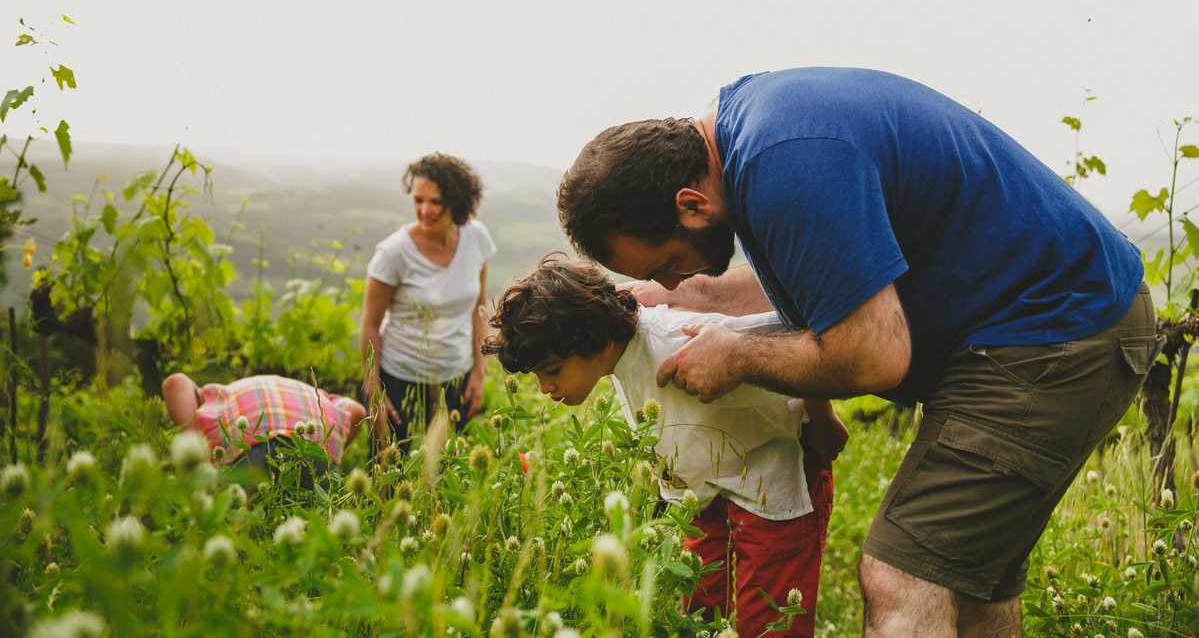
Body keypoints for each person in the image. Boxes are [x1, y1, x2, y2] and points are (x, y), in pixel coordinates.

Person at [556, 67, 1158, 637]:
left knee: (902, 577)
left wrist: (736, 357)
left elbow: (873, 355)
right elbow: (828, 270)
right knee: (973, 587)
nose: (667, 284)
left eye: (666, 265)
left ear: (691, 205)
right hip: (1058, 316)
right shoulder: (752, 134)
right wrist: (695, 296)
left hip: (1053, 331)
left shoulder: (785, 164)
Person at [482, 254, 848, 638]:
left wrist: (822, 419)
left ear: (600, 342)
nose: (544, 388)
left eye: (553, 370)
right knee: (696, 616)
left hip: (773, 482)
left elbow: (800, 337)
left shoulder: (679, 342)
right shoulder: (614, 350)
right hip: (701, 495)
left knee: (769, 625)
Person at [360, 152, 496, 450]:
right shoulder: (393, 253)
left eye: (436, 202)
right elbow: (370, 325)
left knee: (443, 475)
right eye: (418, 200)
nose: (424, 210)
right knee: (389, 478)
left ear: (458, 203)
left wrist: (478, 371)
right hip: (398, 381)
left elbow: (479, 307)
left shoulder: (476, 238)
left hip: (455, 380)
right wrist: (374, 392)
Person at [162, 372, 366, 471]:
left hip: (246, 447)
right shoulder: (320, 398)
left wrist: (195, 451)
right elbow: (357, 410)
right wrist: (327, 452)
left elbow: (175, 382)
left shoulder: (218, 394)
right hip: (312, 454)